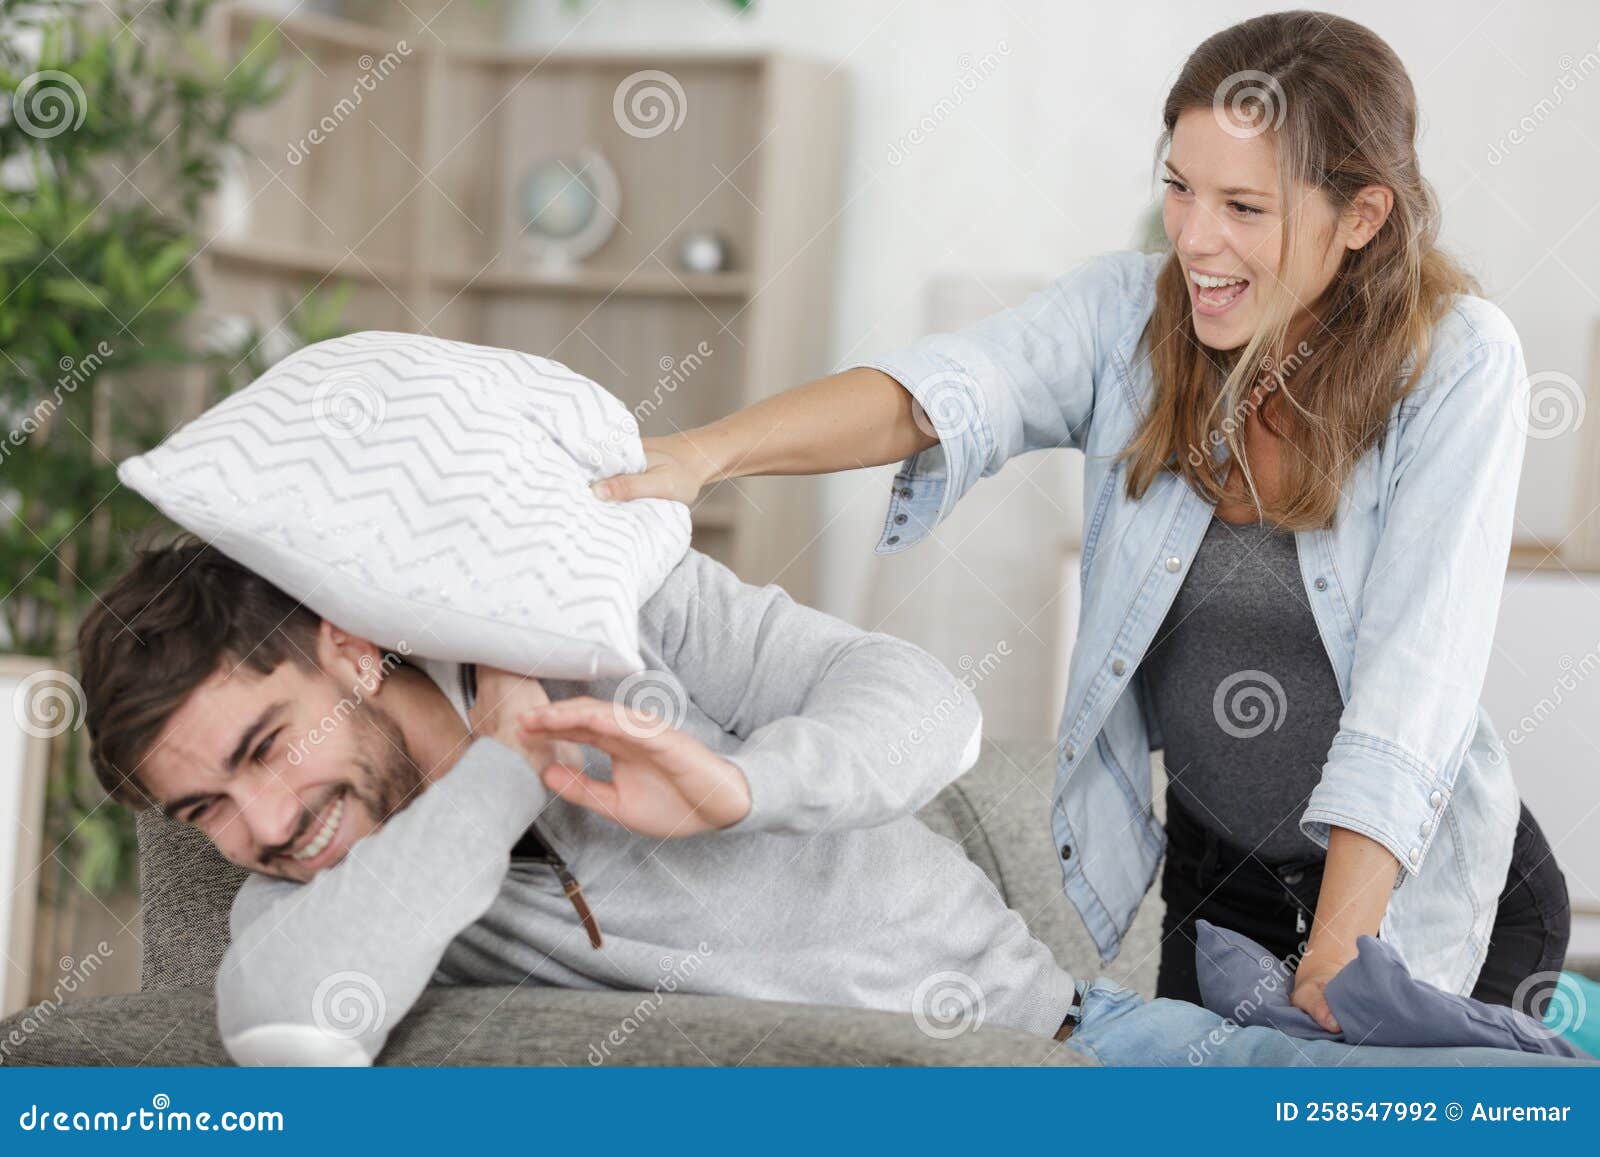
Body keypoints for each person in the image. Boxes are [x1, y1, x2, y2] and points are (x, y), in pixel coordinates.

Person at [591, 10, 1571, 1032]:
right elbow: (945, 389)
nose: (1194, 238)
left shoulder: (1454, 360)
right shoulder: (1126, 320)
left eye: (1244, 205)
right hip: (1218, 879)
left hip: (1411, 889)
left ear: (1362, 214)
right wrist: (705, 452)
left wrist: (1337, 952)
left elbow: (1415, 686)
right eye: (1180, 187)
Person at [74, 537, 1590, 1069]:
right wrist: (497, 771)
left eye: (265, 748)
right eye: (201, 807)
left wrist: (736, 783)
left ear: (348, 644)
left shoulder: (637, 624)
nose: (260, 828)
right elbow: (289, 1022)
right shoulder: (313, 902)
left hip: (1093, 1033)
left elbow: (922, 705)